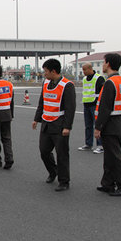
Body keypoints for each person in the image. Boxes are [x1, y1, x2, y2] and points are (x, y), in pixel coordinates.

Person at [32, 59, 76, 192]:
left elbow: (70, 108)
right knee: (44, 151)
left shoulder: (67, 85)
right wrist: (36, 119)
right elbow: (42, 102)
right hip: (46, 123)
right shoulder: (46, 83)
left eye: (46, 71)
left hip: (59, 124)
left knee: (62, 154)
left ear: (53, 71)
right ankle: (53, 171)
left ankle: (64, 181)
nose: (44, 74)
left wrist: (67, 127)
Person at [94, 53, 121, 196]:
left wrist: (98, 127)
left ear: (109, 64)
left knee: (115, 157)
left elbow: (105, 108)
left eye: (104, 62)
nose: (103, 65)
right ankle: (108, 183)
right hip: (118, 122)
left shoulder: (110, 83)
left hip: (110, 125)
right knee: (110, 156)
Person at [78, 62, 105, 154]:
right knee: (88, 126)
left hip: (95, 105)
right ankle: (88, 144)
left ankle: (100, 145)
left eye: (85, 70)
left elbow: (103, 92)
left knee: (97, 125)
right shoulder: (84, 79)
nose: (83, 72)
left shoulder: (99, 78)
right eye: (83, 70)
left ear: (90, 69)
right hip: (86, 104)